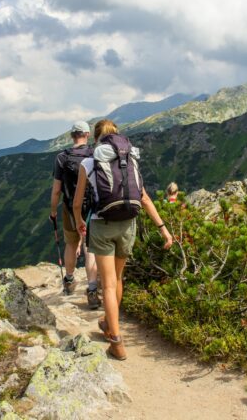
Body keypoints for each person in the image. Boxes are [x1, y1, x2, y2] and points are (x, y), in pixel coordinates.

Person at [73, 119, 173, 360]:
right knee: (118, 279)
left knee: (106, 284)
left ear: (96, 138)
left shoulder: (89, 162)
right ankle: (108, 322)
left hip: (102, 223)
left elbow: (77, 202)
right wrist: (163, 229)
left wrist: (79, 220)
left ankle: (116, 340)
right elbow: (145, 198)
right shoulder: (130, 160)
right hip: (128, 224)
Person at [50, 121, 100, 308]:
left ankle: (69, 281)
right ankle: (93, 290)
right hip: (93, 207)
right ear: (87, 134)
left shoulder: (62, 157)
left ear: (72, 136)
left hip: (70, 207)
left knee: (71, 243)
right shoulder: (94, 154)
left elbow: (56, 190)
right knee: (90, 249)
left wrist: (53, 210)